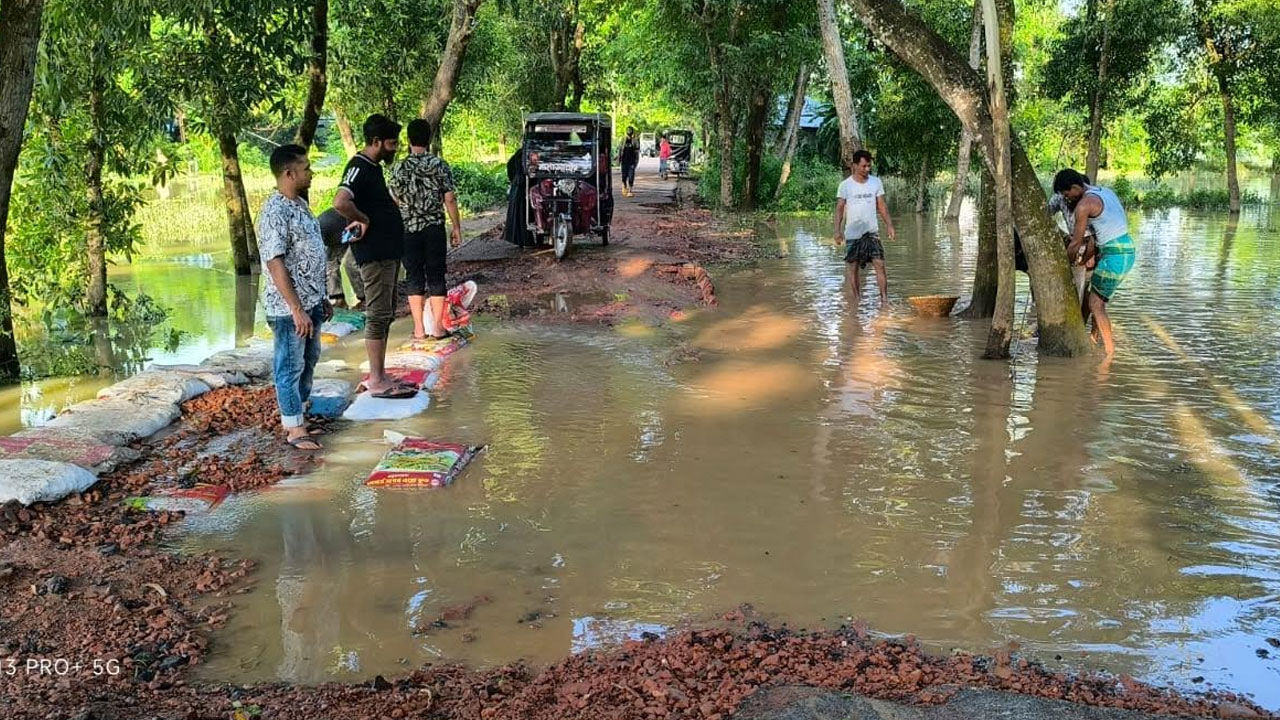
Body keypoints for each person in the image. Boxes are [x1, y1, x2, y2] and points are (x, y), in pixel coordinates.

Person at [333, 114, 415, 399]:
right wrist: (363, 218)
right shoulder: (359, 167)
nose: (394, 148)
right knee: (378, 314)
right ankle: (377, 379)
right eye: (391, 143)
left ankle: (380, 373)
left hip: (388, 251)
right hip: (374, 253)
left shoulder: (374, 168)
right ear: (376, 141)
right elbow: (341, 202)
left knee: (386, 312)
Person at [257, 144, 331, 451]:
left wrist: (322, 297)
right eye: (306, 168)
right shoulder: (275, 211)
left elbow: (309, 253)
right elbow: (275, 262)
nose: (311, 173)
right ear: (289, 173)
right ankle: (293, 427)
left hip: (311, 301)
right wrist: (296, 308)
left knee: (309, 358)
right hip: (289, 308)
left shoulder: (299, 205)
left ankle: (298, 412)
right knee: (289, 365)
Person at [389, 119, 463, 341]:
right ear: (428, 139)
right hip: (434, 228)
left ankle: (419, 329)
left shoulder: (398, 168)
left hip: (409, 230)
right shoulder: (439, 165)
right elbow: (449, 198)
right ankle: (438, 328)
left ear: (409, 140)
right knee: (436, 275)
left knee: (413, 276)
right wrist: (457, 227)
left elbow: (393, 200)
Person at [1053, 168, 1135, 358]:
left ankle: (1109, 355)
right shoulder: (1105, 192)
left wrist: (1065, 265)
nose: (1067, 199)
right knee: (1096, 299)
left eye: (1067, 194)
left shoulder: (1084, 205)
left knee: (1095, 304)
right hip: (1125, 249)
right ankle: (1093, 341)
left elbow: (1075, 242)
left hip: (1115, 253)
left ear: (1075, 187)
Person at [834, 149, 897, 306]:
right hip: (853, 234)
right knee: (853, 269)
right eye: (863, 166)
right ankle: (857, 301)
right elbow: (840, 208)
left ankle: (884, 300)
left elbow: (881, 205)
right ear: (854, 165)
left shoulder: (876, 182)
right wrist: (837, 230)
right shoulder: (845, 186)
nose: (867, 169)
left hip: (872, 233)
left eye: (869, 166)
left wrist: (889, 225)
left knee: (880, 264)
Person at [317, 208, 365, 309]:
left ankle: (365, 299)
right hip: (336, 237)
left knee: (349, 263)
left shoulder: (315, 232)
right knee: (329, 264)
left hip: (355, 230)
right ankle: (339, 299)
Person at [503, 149, 534, 247]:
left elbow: (510, 166)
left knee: (522, 214)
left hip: (519, 184)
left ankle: (525, 240)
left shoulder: (521, 152)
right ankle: (526, 240)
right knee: (522, 214)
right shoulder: (525, 153)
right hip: (522, 185)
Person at [619, 127, 640, 197]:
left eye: (630, 130)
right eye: (628, 130)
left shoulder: (635, 141)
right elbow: (620, 150)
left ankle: (630, 190)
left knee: (631, 176)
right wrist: (619, 159)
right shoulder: (623, 140)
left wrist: (636, 162)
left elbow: (637, 152)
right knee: (624, 176)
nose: (629, 132)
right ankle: (624, 187)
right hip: (624, 161)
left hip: (631, 161)